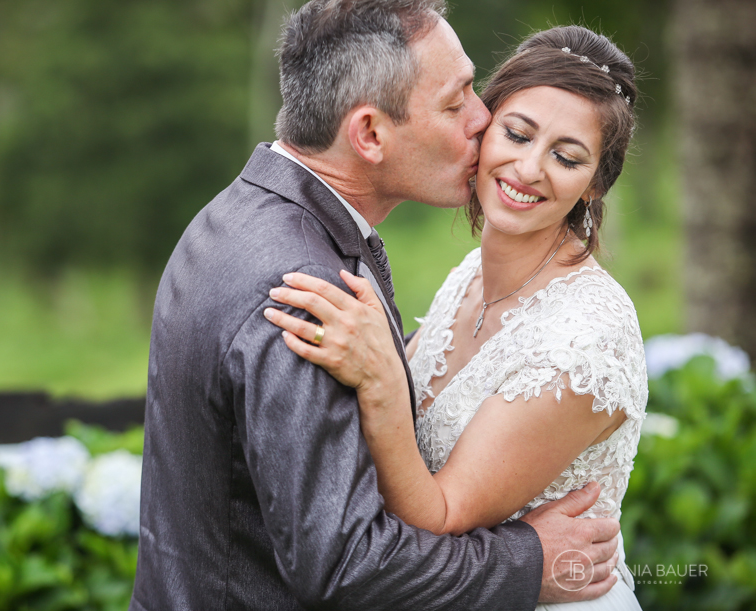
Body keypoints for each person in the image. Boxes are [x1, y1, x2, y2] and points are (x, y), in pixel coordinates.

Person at [130, 2, 622, 609]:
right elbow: (345, 564)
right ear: (368, 134)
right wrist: (530, 559)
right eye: (456, 100)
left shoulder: (237, 216)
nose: (482, 119)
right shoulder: (307, 290)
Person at [264, 24, 645, 610]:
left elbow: (440, 513)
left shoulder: (586, 341)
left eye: (567, 157)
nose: (529, 168)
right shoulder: (471, 273)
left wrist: (383, 381)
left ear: (595, 186)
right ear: (483, 127)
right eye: (516, 134)